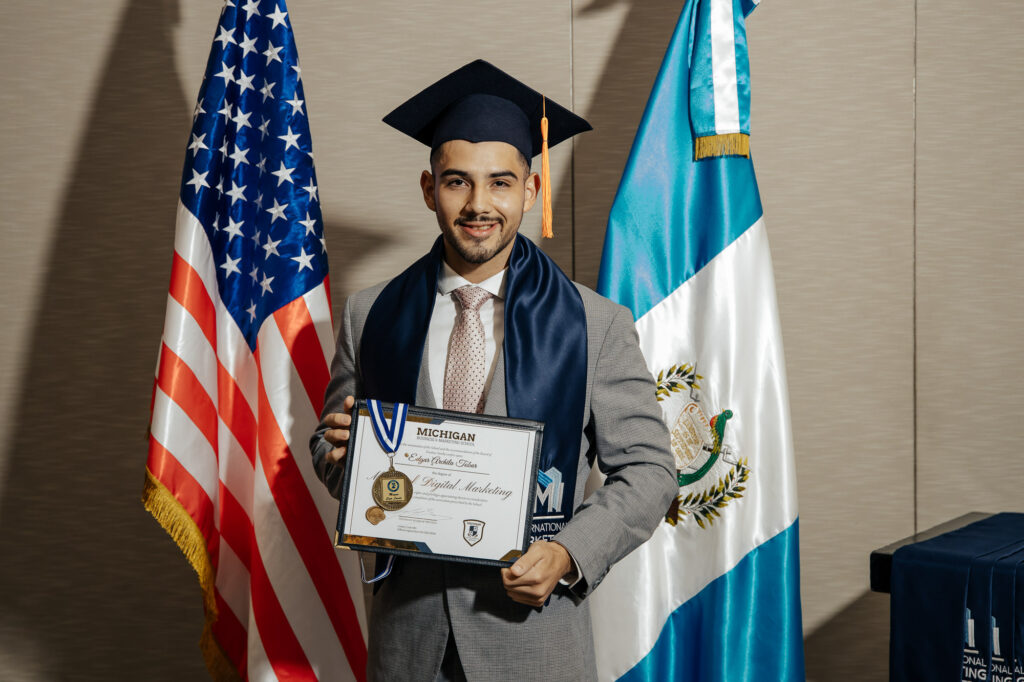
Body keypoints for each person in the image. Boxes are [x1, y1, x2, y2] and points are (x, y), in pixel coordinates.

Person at [310, 60, 677, 681]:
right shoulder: (369, 314)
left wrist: (568, 552)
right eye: (457, 182)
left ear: (530, 191)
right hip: (408, 646)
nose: (479, 205)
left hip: (532, 646)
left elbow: (650, 471)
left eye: (500, 183)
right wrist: (341, 455)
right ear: (429, 189)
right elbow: (329, 447)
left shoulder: (594, 324)